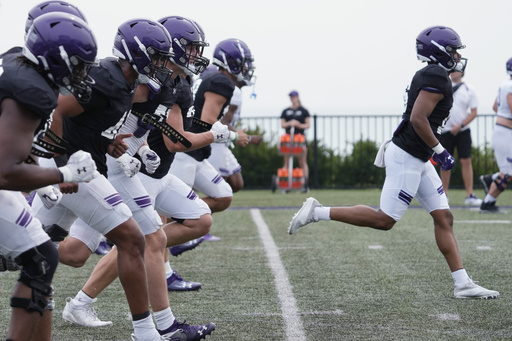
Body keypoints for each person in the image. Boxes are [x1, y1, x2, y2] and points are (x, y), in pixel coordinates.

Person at [288, 25, 499, 299]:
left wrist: (432, 151)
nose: (457, 55)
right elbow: (418, 119)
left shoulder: (433, 73)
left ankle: (462, 284)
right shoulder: (436, 74)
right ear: (438, 51)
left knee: (444, 217)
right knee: (384, 220)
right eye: (453, 50)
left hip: (418, 156)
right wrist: (439, 150)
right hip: (409, 156)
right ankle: (316, 212)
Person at [30, 18, 180, 341]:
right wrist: (61, 164)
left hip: (81, 164)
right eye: (155, 57)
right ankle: (145, 332)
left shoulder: (124, 83)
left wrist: (108, 143)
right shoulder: (108, 80)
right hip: (74, 168)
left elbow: (88, 122)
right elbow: (56, 110)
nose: (161, 66)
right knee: (132, 238)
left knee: (33, 246)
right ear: (136, 53)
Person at [0, 11, 98, 341]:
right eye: (79, 65)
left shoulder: (16, 63)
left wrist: (41, 171)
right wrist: (62, 172)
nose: (83, 74)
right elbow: (5, 171)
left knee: (42, 256)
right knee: (41, 257)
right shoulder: (31, 89)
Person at [169, 38, 251, 241]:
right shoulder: (222, 82)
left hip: (196, 153)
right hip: (186, 152)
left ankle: (181, 223)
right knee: (165, 210)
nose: (247, 67)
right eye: (244, 62)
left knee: (223, 196)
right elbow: (207, 121)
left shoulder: (214, 78)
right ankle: (165, 255)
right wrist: (234, 135)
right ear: (231, 62)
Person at [207, 65, 263, 193]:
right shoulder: (233, 91)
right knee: (220, 189)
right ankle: (196, 211)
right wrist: (247, 137)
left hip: (220, 140)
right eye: (244, 68)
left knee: (236, 183)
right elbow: (223, 122)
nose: (247, 71)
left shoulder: (234, 90)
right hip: (216, 141)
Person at [437, 71, 481, 205]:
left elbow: (474, 112)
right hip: (445, 131)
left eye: (456, 70)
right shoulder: (443, 86)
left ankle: (469, 195)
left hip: (463, 131)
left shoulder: (469, 89)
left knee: (466, 161)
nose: (453, 72)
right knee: (445, 163)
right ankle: (444, 195)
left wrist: (461, 125)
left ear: (461, 73)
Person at [478, 57, 512, 213]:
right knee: (508, 173)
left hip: (503, 131)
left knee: (508, 171)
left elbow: (494, 107)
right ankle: (487, 204)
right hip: (505, 133)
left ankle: (489, 179)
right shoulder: (510, 86)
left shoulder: (505, 84)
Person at [280, 90, 310, 192]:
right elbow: (283, 124)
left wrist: (298, 124)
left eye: (294, 96)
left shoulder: (304, 111)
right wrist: (290, 123)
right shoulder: (286, 111)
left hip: (299, 139)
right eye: (291, 97)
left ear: (297, 97)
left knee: (302, 162)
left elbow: (307, 124)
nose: (292, 98)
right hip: (288, 140)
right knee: (287, 162)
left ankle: (305, 185)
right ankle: (285, 184)